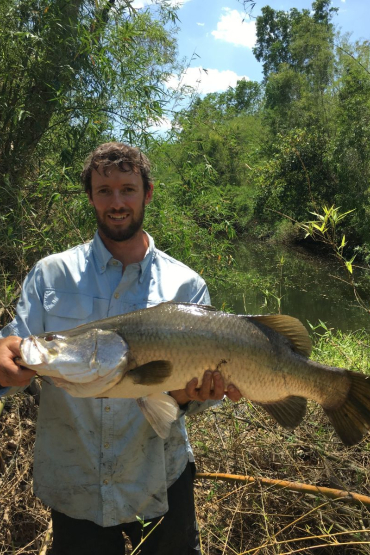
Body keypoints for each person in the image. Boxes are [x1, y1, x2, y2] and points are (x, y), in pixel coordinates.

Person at [0, 142, 241, 555]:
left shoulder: (186, 285)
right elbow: (16, 347)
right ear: (91, 197)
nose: (117, 202)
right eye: (104, 190)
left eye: (127, 189)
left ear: (147, 193)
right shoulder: (49, 274)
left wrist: (190, 397)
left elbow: (195, 399)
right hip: (74, 481)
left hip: (159, 478)